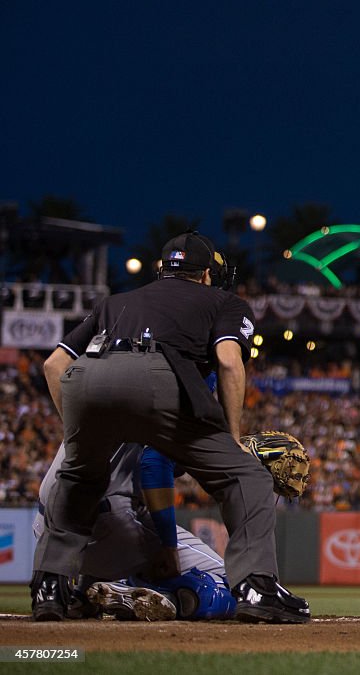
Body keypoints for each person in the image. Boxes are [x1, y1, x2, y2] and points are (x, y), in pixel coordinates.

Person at [31, 231, 309, 623]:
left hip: (75, 420)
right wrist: (232, 440)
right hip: (151, 400)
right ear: (207, 275)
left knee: (80, 476)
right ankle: (256, 588)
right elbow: (229, 362)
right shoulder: (223, 301)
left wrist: (81, 430)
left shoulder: (117, 301)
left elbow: (53, 365)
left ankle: (51, 589)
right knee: (245, 483)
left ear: (163, 270)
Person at [33, 442, 236, 621]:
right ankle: (145, 591)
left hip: (49, 529)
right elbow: (154, 464)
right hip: (110, 527)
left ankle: (85, 592)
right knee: (231, 584)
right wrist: (169, 546)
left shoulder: (85, 397)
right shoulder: (172, 400)